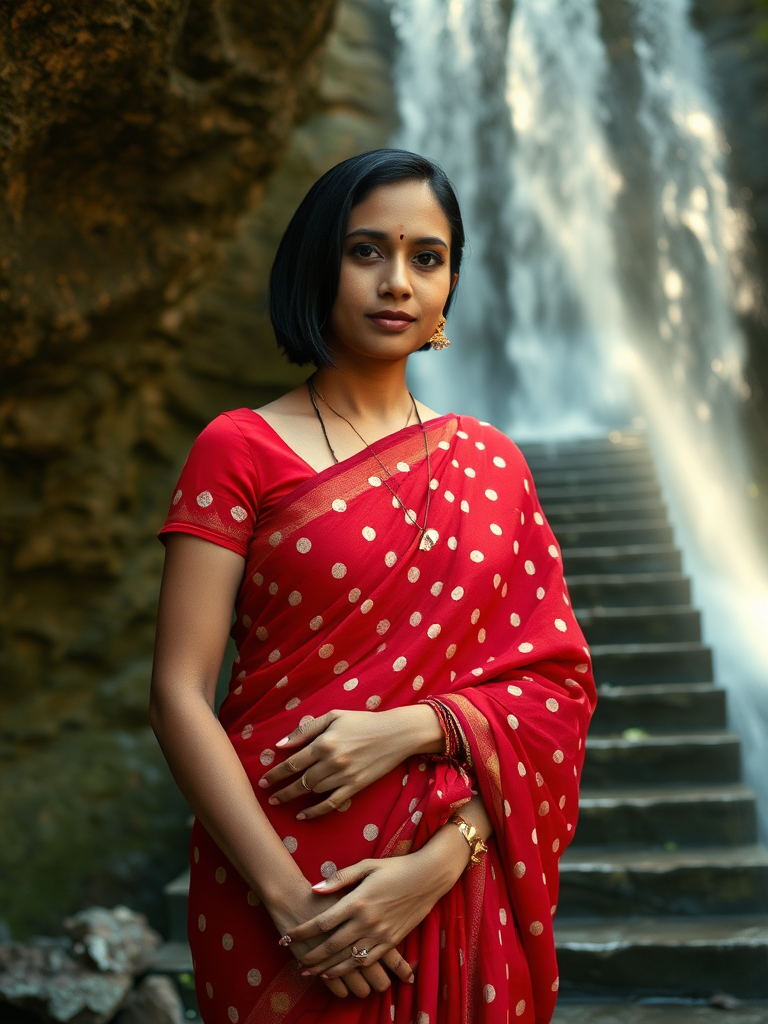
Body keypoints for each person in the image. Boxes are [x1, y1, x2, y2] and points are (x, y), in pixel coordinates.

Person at [150, 149, 596, 1024]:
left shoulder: (493, 464)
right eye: (366, 252)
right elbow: (176, 694)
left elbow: (556, 693)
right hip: (274, 881)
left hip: (452, 883)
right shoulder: (239, 448)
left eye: (425, 258)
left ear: (450, 284)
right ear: (320, 261)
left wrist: (426, 773)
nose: (397, 282)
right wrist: (291, 904)